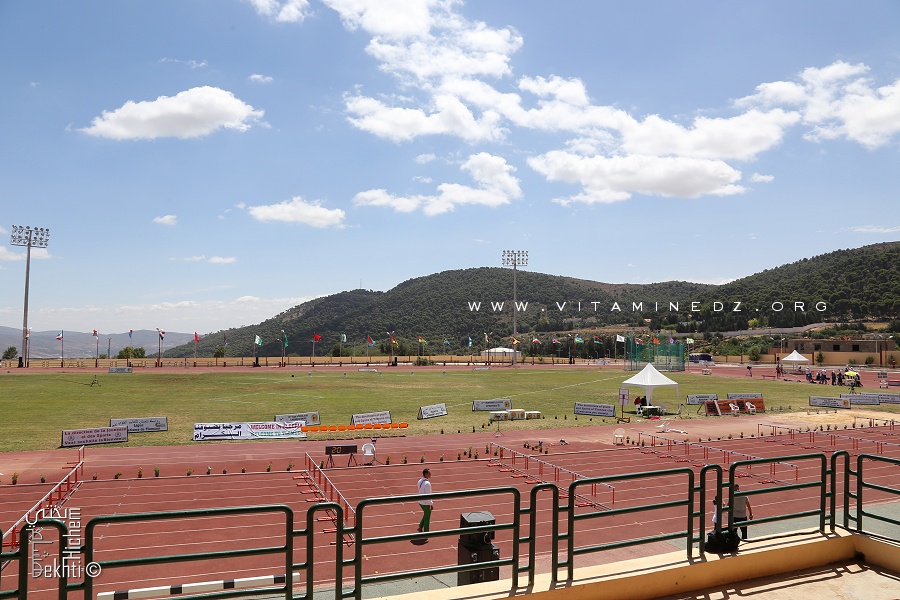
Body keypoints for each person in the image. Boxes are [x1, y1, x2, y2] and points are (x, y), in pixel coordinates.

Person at [417, 468, 433, 535]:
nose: (430, 474)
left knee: (426, 515)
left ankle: (420, 526)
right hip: (425, 502)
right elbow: (428, 494)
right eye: (429, 473)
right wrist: (431, 504)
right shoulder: (427, 483)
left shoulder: (420, 481)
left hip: (420, 501)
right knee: (427, 518)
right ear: (426, 474)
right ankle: (426, 532)